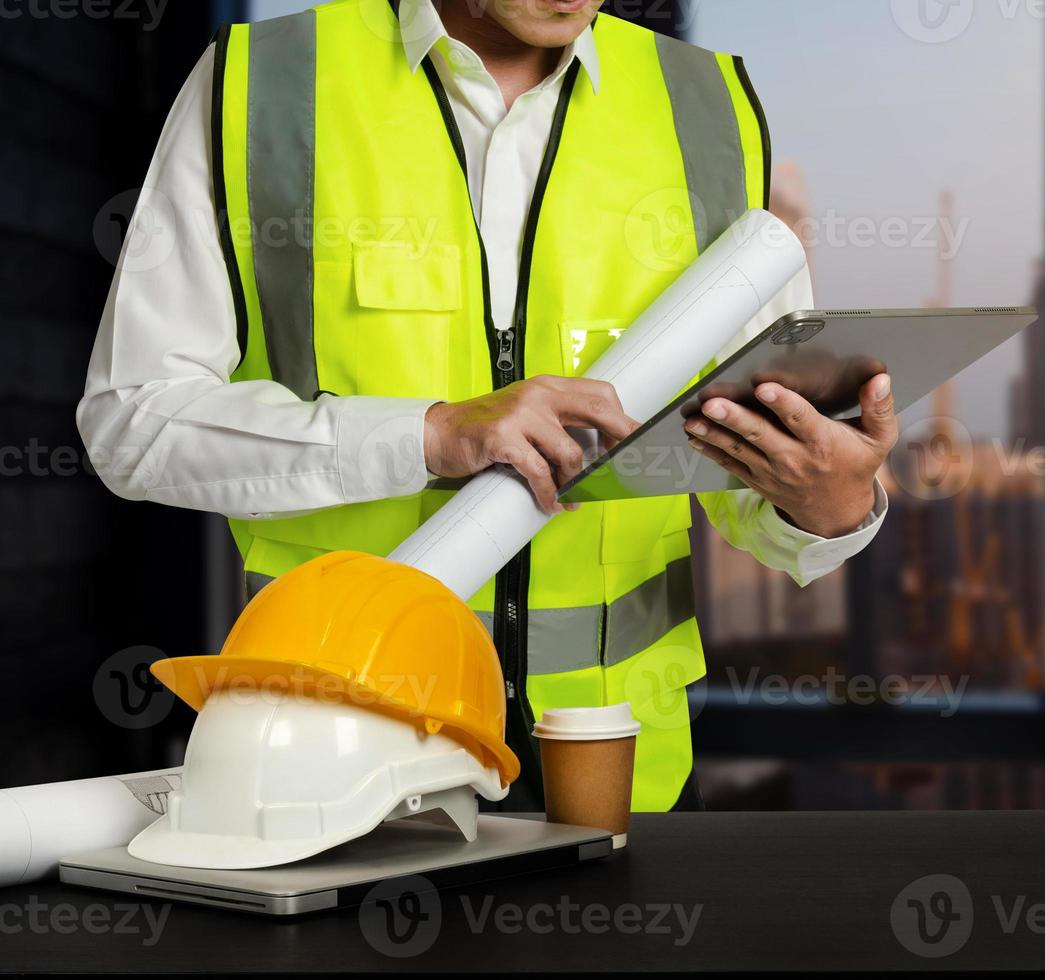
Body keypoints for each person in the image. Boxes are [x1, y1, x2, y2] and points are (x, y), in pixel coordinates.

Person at [77, 0, 897, 813]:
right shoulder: (263, 87)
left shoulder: (705, 108)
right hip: (345, 753)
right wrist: (427, 434)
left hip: (615, 768)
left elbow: (754, 467)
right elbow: (133, 424)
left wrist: (829, 507)